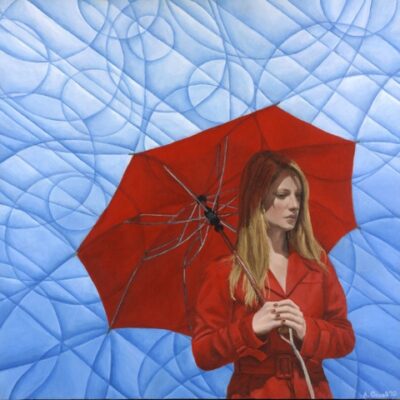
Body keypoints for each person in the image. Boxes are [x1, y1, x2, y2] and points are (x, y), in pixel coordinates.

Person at [191, 151, 355, 399]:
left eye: (298, 195)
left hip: (312, 390)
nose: (295, 205)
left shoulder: (317, 263)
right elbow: (203, 353)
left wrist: (306, 329)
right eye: (282, 195)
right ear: (258, 199)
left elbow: (345, 337)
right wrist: (250, 328)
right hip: (254, 392)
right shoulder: (225, 271)